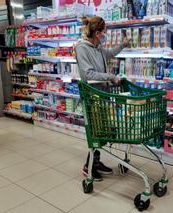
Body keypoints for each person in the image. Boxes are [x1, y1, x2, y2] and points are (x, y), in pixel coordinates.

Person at [75, 16, 130, 181]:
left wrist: (123, 45)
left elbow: (110, 53)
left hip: (102, 95)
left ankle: (96, 162)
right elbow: (87, 73)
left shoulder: (98, 47)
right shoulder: (82, 48)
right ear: (97, 32)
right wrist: (110, 77)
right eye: (104, 31)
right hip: (92, 96)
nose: (105, 34)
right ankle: (88, 167)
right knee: (97, 132)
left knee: (103, 130)